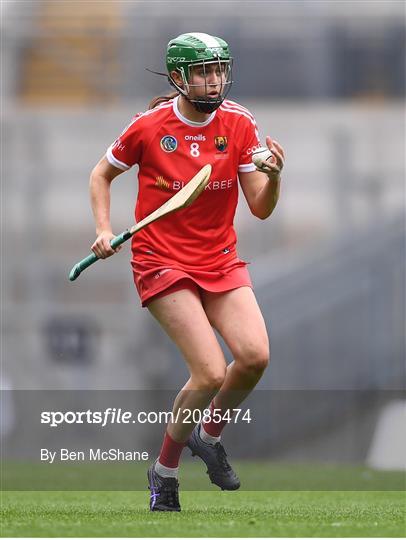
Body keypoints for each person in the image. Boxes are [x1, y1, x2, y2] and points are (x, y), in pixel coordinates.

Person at [89, 32, 285, 512]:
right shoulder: (150, 126)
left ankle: (208, 435)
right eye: (202, 71)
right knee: (208, 372)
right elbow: (101, 175)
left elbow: (259, 207)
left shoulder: (239, 123)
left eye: (218, 69)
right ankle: (164, 472)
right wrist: (102, 228)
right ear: (178, 77)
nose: (213, 79)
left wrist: (276, 175)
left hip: (219, 259)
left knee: (255, 356)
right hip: (161, 261)